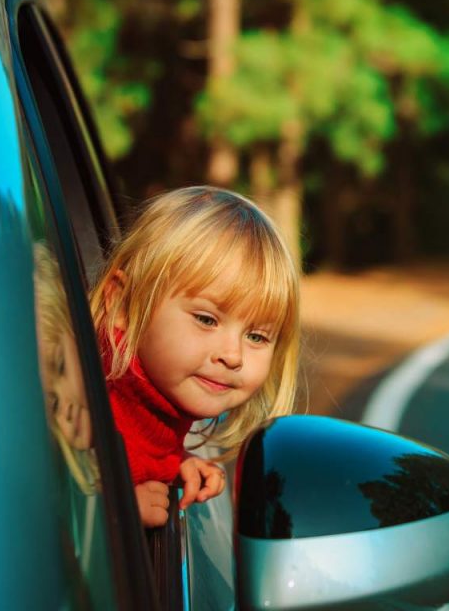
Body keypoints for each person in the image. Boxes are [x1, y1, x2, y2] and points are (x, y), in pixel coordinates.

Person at [89, 186, 300, 527]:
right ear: (122, 304)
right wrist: (109, 510)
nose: (233, 356)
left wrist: (172, 461)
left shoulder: (152, 402)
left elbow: (144, 438)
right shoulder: (85, 402)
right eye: (206, 319)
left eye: (257, 336)